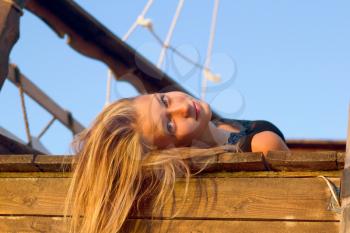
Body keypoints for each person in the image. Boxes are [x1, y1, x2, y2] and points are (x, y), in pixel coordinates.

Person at [63, 91, 289, 233]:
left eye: (164, 100)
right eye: (170, 126)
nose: (183, 107)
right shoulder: (261, 147)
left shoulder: (222, 130)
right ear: (168, 153)